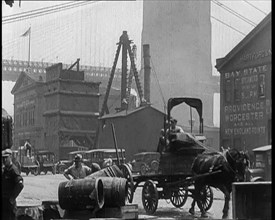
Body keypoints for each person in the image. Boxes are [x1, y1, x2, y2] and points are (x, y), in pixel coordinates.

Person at [2, 148, 24, 220]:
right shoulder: (5, 170)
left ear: (10, 157)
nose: (4, 160)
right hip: (4, 203)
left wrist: (12, 198)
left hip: (9, 204)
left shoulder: (13, 170)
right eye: (3, 158)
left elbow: (20, 184)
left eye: (6, 158)